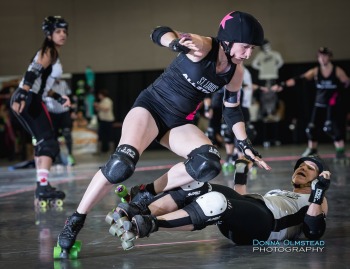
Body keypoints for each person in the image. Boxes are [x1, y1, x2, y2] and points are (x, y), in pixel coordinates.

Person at [57, 10, 271, 258]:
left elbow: (232, 110)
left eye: (251, 49)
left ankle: (146, 192)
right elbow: (158, 31)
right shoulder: (203, 46)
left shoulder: (236, 72)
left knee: (207, 164)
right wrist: (174, 42)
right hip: (151, 109)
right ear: (228, 39)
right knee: (120, 167)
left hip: (178, 122)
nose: (248, 54)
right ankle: (75, 220)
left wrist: (244, 143)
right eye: (245, 47)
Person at [116, 155, 330, 245]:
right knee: (198, 185)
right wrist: (240, 174)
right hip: (252, 215)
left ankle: (149, 225)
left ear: (318, 178)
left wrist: (318, 192)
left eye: (310, 168)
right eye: (301, 165)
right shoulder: (279, 192)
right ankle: (142, 210)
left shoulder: (316, 200)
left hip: (266, 227)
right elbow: (242, 203)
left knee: (216, 201)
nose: (303, 168)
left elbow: (314, 232)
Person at [10, 16, 70, 205]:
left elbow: (42, 83)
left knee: (44, 142)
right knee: (49, 143)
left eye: (64, 32)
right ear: (49, 34)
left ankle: (42, 184)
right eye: (58, 31)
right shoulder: (49, 51)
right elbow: (33, 71)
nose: (63, 35)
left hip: (30, 97)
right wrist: (22, 93)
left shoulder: (51, 52)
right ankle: (43, 187)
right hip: (28, 99)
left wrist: (58, 97)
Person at [272, 47, 350, 160]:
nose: (322, 59)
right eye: (320, 56)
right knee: (311, 128)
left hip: (332, 104)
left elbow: (346, 83)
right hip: (319, 104)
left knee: (331, 128)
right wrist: (282, 85)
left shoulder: (337, 70)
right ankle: (312, 149)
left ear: (329, 57)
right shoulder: (316, 71)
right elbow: (299, 79)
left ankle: (340, 151)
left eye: (325, 56)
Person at [252, 39, 284, 147]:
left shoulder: (275, 54)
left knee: (274, 105)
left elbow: (280, 62)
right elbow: (254, 64)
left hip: (273, 78)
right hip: (263, 79)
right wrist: (262, 68)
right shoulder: (260, 55)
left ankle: (276, 138)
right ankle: (266, 138)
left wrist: (274, 68)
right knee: (265, 108)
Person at [43, 79, 76, 166]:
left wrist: (72, 110)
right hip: (52, 113)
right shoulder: (47, 84)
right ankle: (57, 157)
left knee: (67, 133)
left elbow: (69, 96)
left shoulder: (63, 83)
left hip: (64, 111)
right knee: (54, 136)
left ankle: (70, 155)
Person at [94, 89, 115, 153]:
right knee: (101, 135)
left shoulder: (107, 100)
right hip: (103, 120)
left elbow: (106, 109)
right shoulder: (102, 101)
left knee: (109, 135)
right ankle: (99, 150)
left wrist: (98, 105)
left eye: (99, 95)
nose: (98, 96)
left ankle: (111, 150)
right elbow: (99, 110)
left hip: (108, 120)